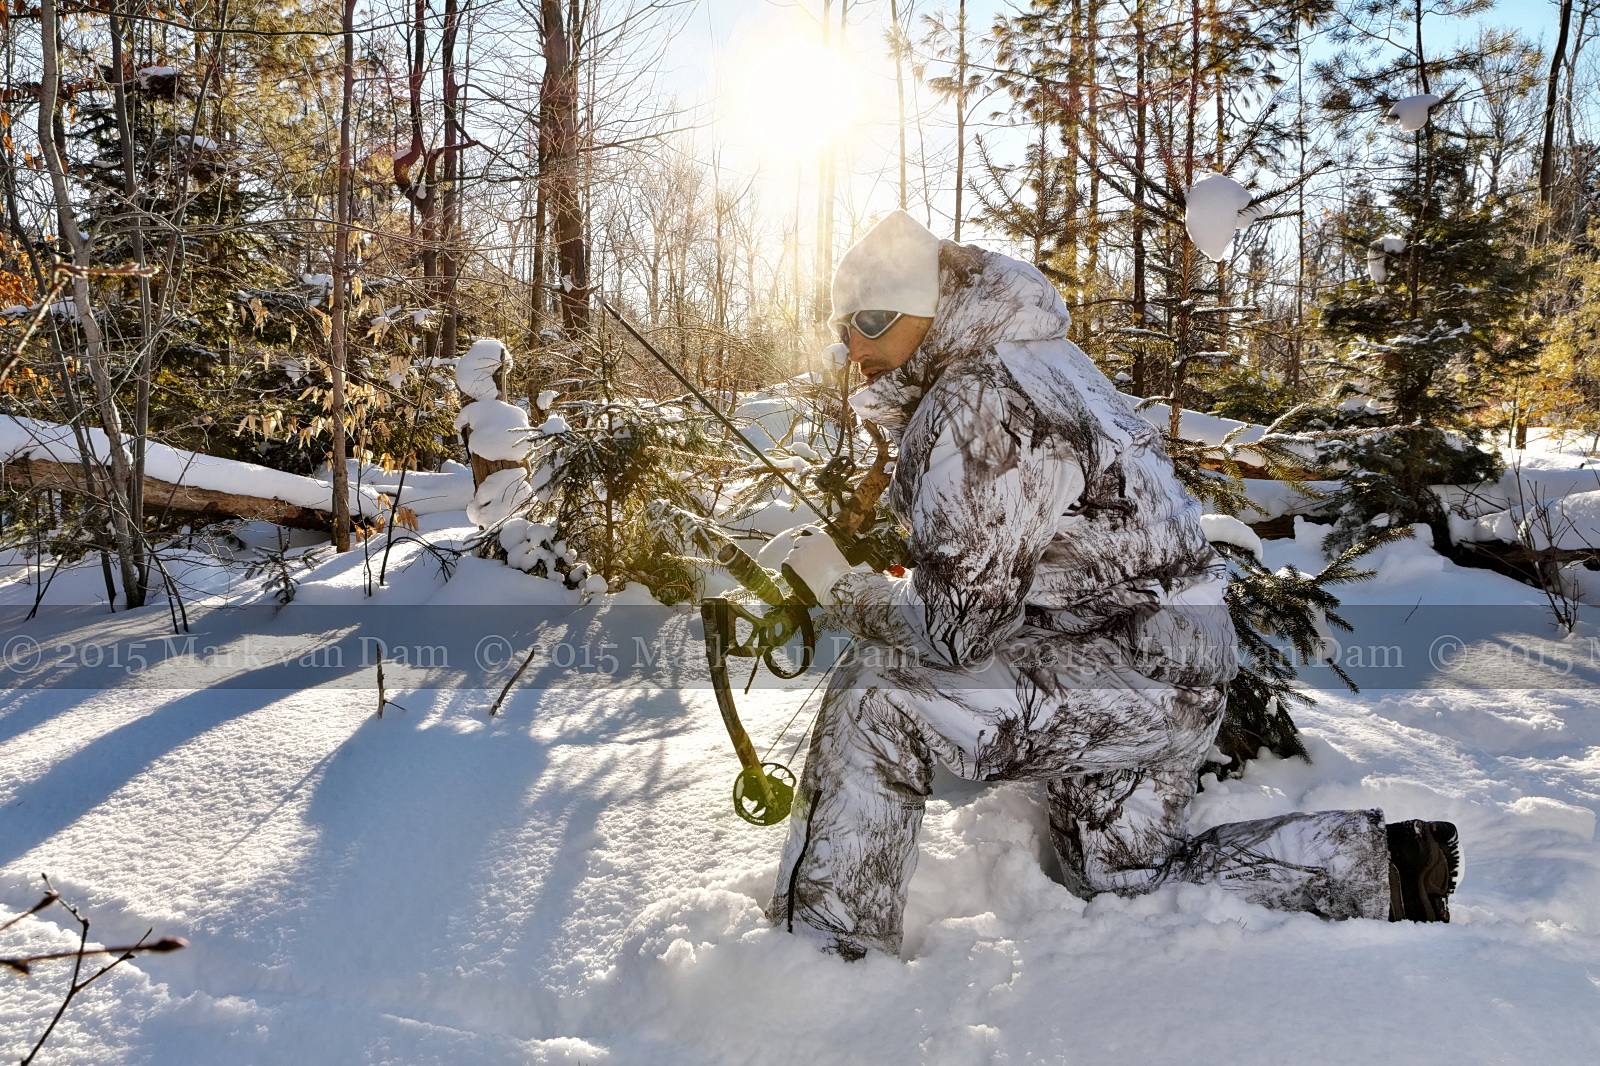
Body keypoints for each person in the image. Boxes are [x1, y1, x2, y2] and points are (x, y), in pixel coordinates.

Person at [767, 210, 1461, 960]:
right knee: (1127, 879)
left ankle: (827, 959)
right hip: (1174, 675)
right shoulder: (1039, 359)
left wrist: (841, 589)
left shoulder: (979, 397)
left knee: (877, 693)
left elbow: (955, 633)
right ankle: (1381, 867)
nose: (856, 346)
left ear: (933, 311)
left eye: (874, 319)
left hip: (1123, 672)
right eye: (844, 327)